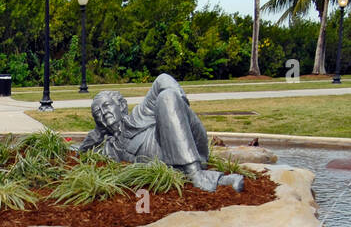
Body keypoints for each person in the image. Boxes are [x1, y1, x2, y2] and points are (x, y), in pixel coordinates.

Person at [78, 75, 243, 193]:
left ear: (121, 106)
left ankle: (195, 174)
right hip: (171, 168)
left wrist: (177, 107)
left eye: (106, 106)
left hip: (191, 143)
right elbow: (79, 154)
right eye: (97, 113)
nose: (103, 112)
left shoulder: (139, 115)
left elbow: (162, 80)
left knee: (166, 97)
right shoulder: (109, 149)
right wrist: (98, 132)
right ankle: (213, 180)